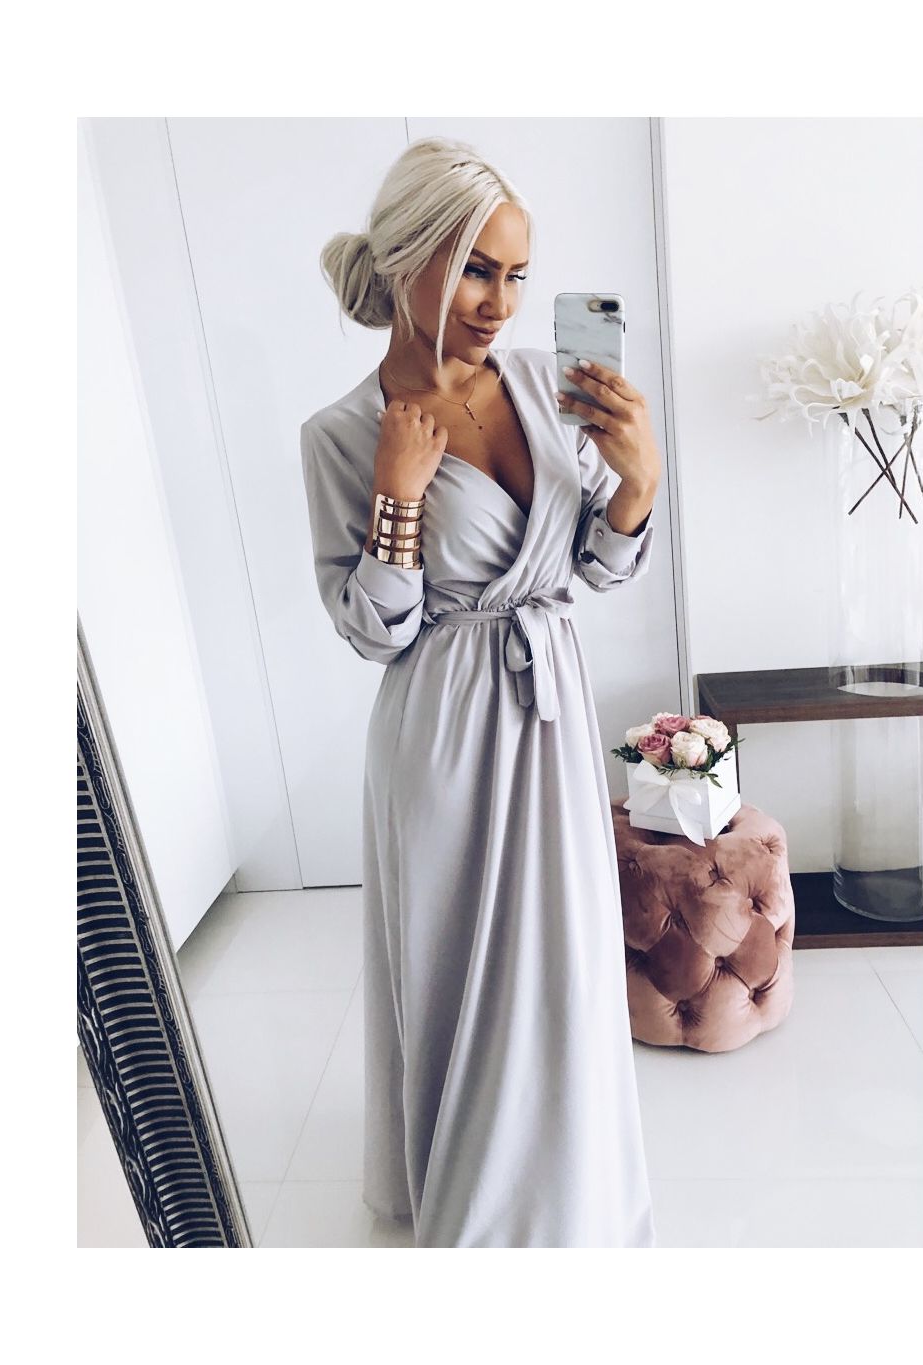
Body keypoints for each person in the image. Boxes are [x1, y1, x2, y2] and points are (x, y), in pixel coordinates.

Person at [300, 136, 662, 1248]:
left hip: (552, 707)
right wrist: (397, 499)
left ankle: (568, 1180)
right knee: (460, 959)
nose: (500, 303)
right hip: (444, 731)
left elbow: (596, 566)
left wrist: (637, 481)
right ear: (406, 259)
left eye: (515, 274)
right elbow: (375, 632)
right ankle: (468, 1193)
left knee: (565, 951)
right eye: (472, 271)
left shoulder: (553, 389)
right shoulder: (342, 434)